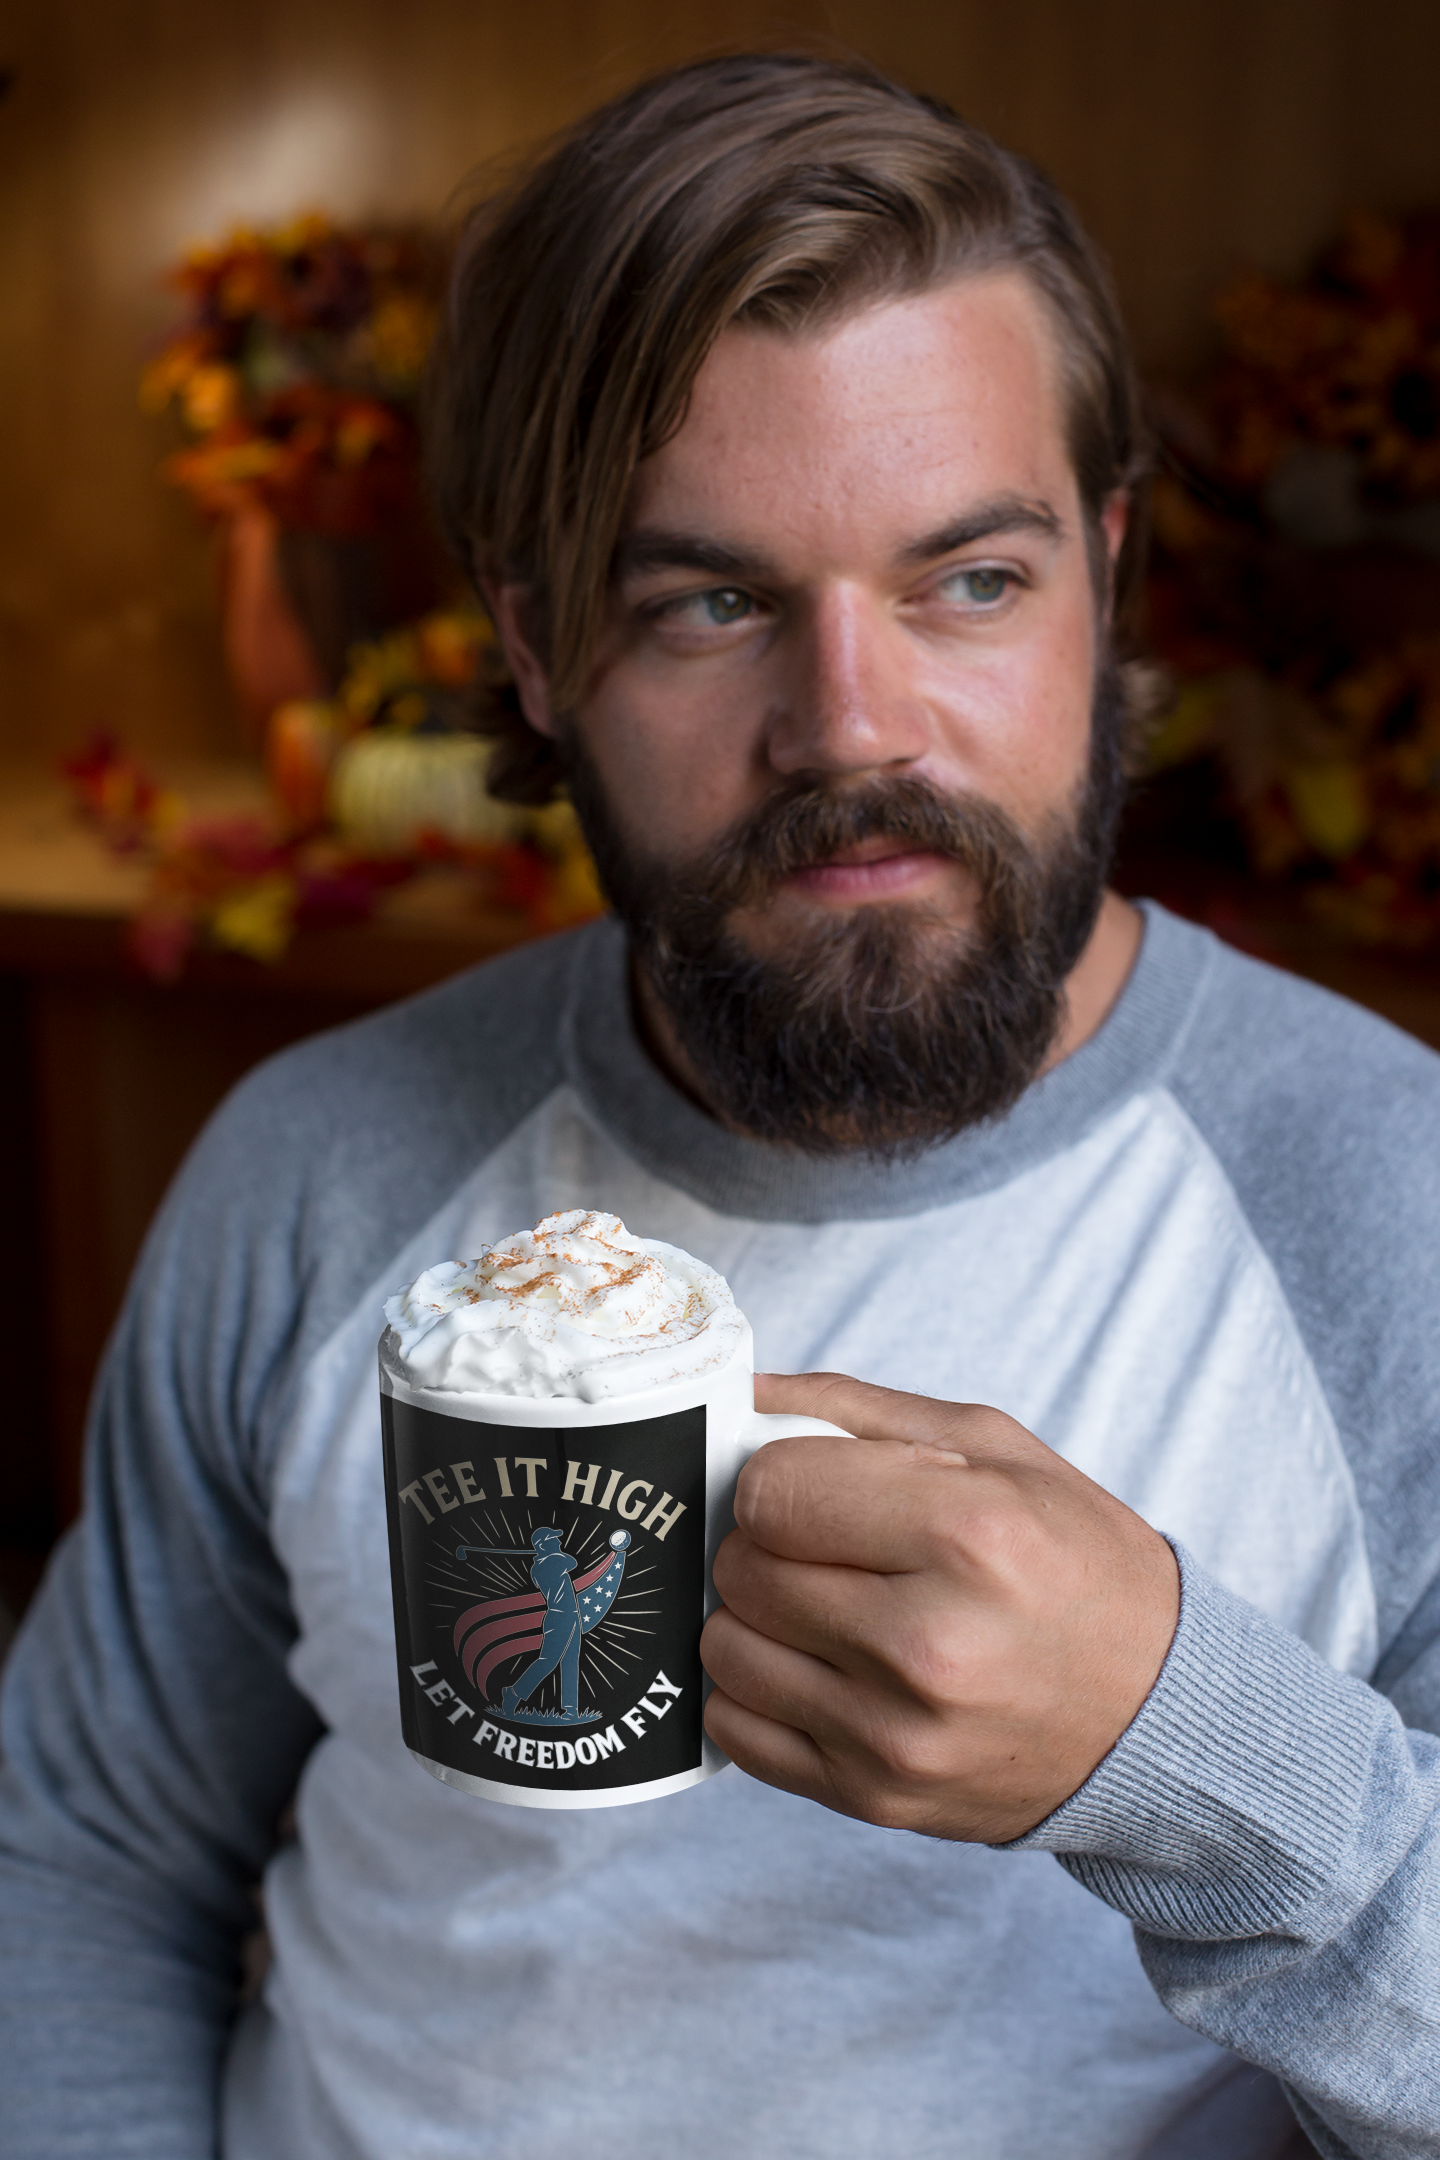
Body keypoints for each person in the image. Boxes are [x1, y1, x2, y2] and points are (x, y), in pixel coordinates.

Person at [2, 51, 1438, 2160]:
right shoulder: (317, 1166)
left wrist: (1176, 1753)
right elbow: (88, 1863)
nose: (849, 727)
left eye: (971, 580)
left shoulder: (1388, 1212)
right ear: (535, 647)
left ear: (1106, 580)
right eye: (709, 601)